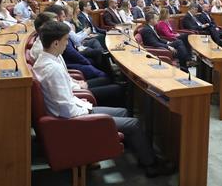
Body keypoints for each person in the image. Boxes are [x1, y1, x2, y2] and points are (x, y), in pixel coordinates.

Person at [32, 20, 173, 177]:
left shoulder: (46, 60)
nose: (67, 44)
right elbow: (66, 110)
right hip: (71, 122)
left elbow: (65, 100)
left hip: (74, 112)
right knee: (134, 123)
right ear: (56, 43)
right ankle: (151, 165)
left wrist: (83, 103)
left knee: (124, 112)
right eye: (66, 40)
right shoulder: (52, 69)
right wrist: (86, 108)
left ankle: (141, 153)